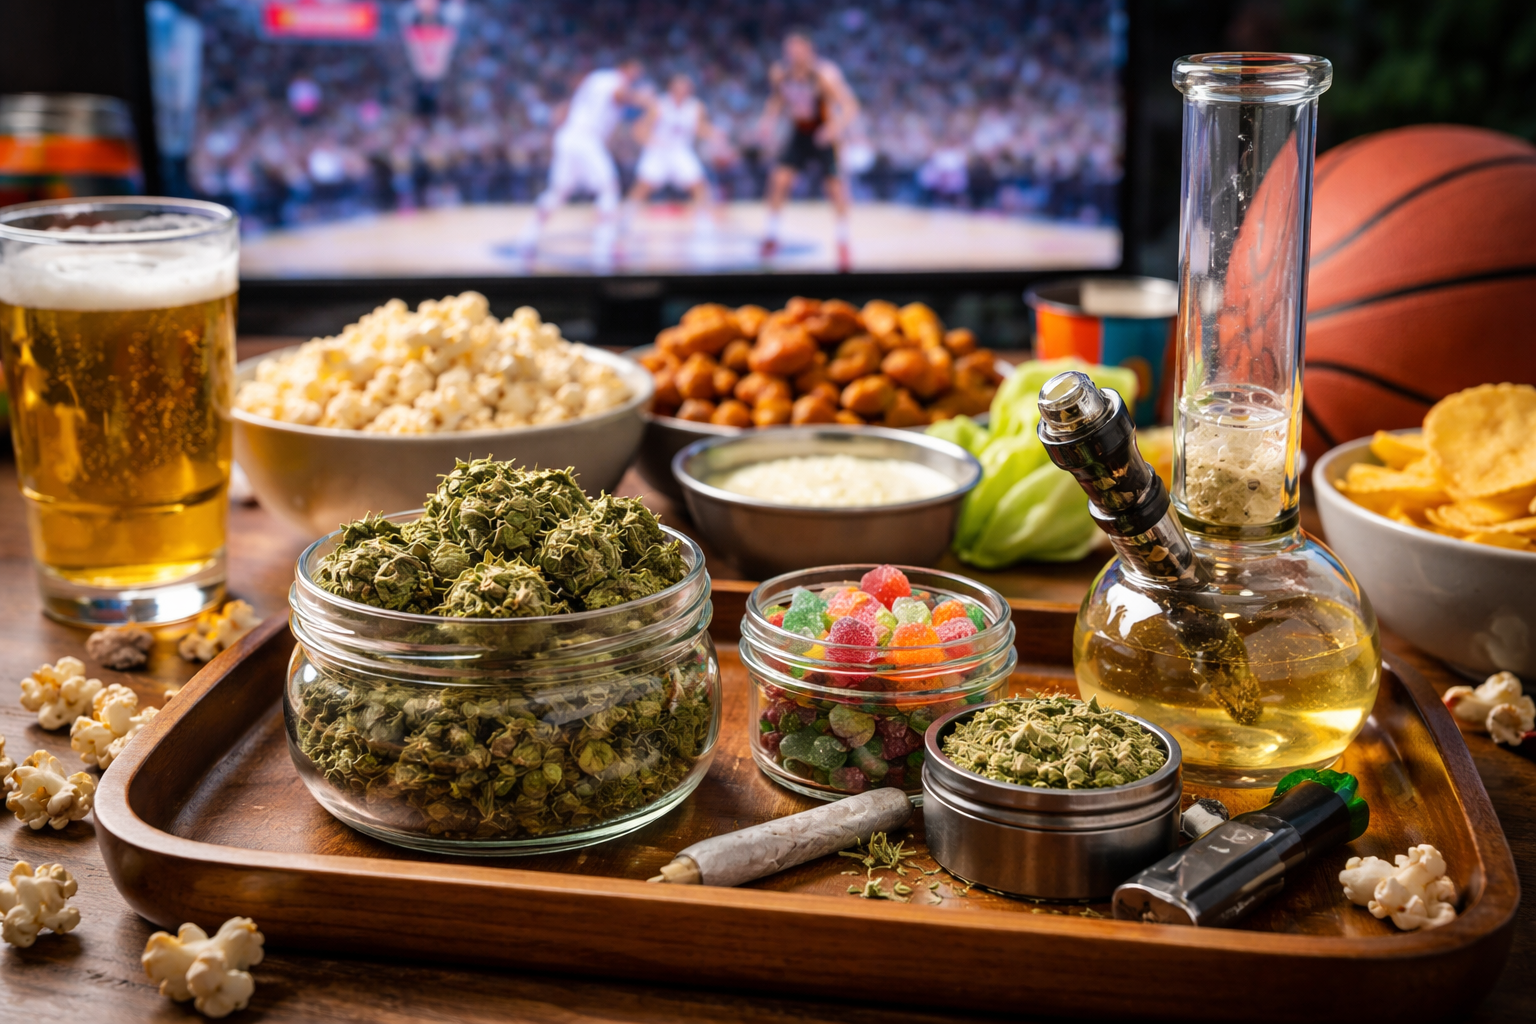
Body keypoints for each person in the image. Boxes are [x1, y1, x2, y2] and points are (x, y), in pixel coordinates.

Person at [522, 58, 644, 269]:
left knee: (559, 191)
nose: (636, 76)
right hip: (585, 139)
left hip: (570, 136)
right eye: (635, 71)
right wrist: (643, 99)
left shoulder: (597, 77)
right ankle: (604, 246)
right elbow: (619, 96)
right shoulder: (614, 80)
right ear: (625, 67)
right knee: (609, 188)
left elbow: (576, 103)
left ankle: (528, 237)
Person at [755, 30, 860, 270]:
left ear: (809, 50)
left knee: (834, 187)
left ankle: (843, 240)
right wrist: (767, 123)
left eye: (797, 49)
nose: (793, 54)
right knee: (779, 180)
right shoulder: (781, 74)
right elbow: (777, 100)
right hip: (799, 132)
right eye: (789, 49)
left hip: (823, 131)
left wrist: (834, 129)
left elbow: (849, 105)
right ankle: (771, 235)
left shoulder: (823, 74)